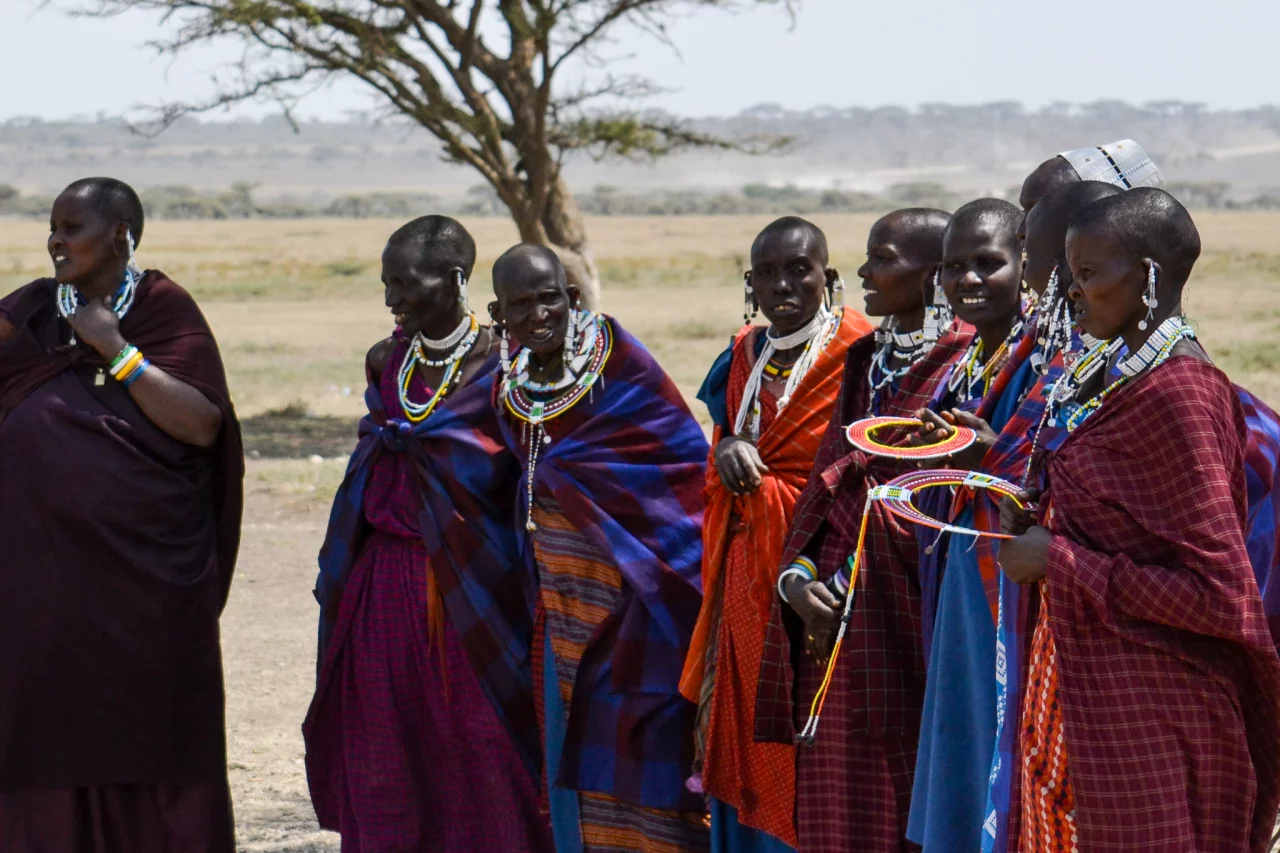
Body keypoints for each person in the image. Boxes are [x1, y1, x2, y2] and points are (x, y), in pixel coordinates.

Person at [998, 188, 1280, 852]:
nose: (1069, 291)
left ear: (1148, 279)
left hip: (1151, 714)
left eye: (1089, 274)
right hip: (1087, 697)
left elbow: (1219, 595)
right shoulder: (1119, 376)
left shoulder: (1180, 393)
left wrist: (1058, 559)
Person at [0, 178, 243, 851]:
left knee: (156, 728)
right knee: (45, 724)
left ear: (120, 236)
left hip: (147, 586)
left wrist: (117, 348)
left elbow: (200, 426)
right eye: (51, 226)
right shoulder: (31, 312)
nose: (54, 240)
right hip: (44, 584)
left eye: (71, 227)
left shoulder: (165, 309)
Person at [303, 217, 551, 851]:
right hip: (385, 582)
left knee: (485, 739)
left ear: (456, 279)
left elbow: (531, 474)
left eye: (405, 284)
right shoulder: (387, 360)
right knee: (384, 743)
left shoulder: (511, 361)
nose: (392, 300)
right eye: (386, 286)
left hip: (477, 587)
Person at [753, 209, 972, 853]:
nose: (864, 271)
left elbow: (935, 501)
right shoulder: (868, 359)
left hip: (910, 622)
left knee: (908, 795)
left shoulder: (962, 365)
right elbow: (827, 483)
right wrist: (796, 576)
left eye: (882, 258)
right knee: (835, 791)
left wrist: (861, 568)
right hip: (833, 621)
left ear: (932, 275)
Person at [490, 244, 711, 853]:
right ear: (498, 313)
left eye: (549, 298)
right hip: (563, 608)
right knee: (576, 740)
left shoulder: (622, 368)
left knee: (649, 737)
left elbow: (681, 470)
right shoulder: (510, 379)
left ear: (573, 299)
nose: (539, 315)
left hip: (641, 598)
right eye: (521, 304)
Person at [680, 217, 871, 852]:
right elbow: (722, 443)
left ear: (830, 278)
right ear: (749, 282)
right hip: (746, 578)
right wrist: (731, 444)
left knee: (814, 725)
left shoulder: (860, 352)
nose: (782, 285)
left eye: (799, 270)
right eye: (767, 273)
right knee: (745, 724)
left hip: (823, 572)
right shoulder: (740, 356)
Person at [974, 180, 1123, 853]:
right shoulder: (1070, 365)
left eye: (1033, 254)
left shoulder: (1154, 384)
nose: (1030, 272)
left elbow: (1204, 583)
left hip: (1112, 662)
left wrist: (1052, 553)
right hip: (1049, 635)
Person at [902, 198, 1026, 852]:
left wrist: (989, 454)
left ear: (1026, 266)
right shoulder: (965, 363)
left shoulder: (1044, 362)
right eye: (954, 266)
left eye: (988, 262)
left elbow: (1050, 472)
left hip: (1011, 588)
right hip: (961, 579)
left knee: (999, 737)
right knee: (964, 732)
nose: (969, 280)